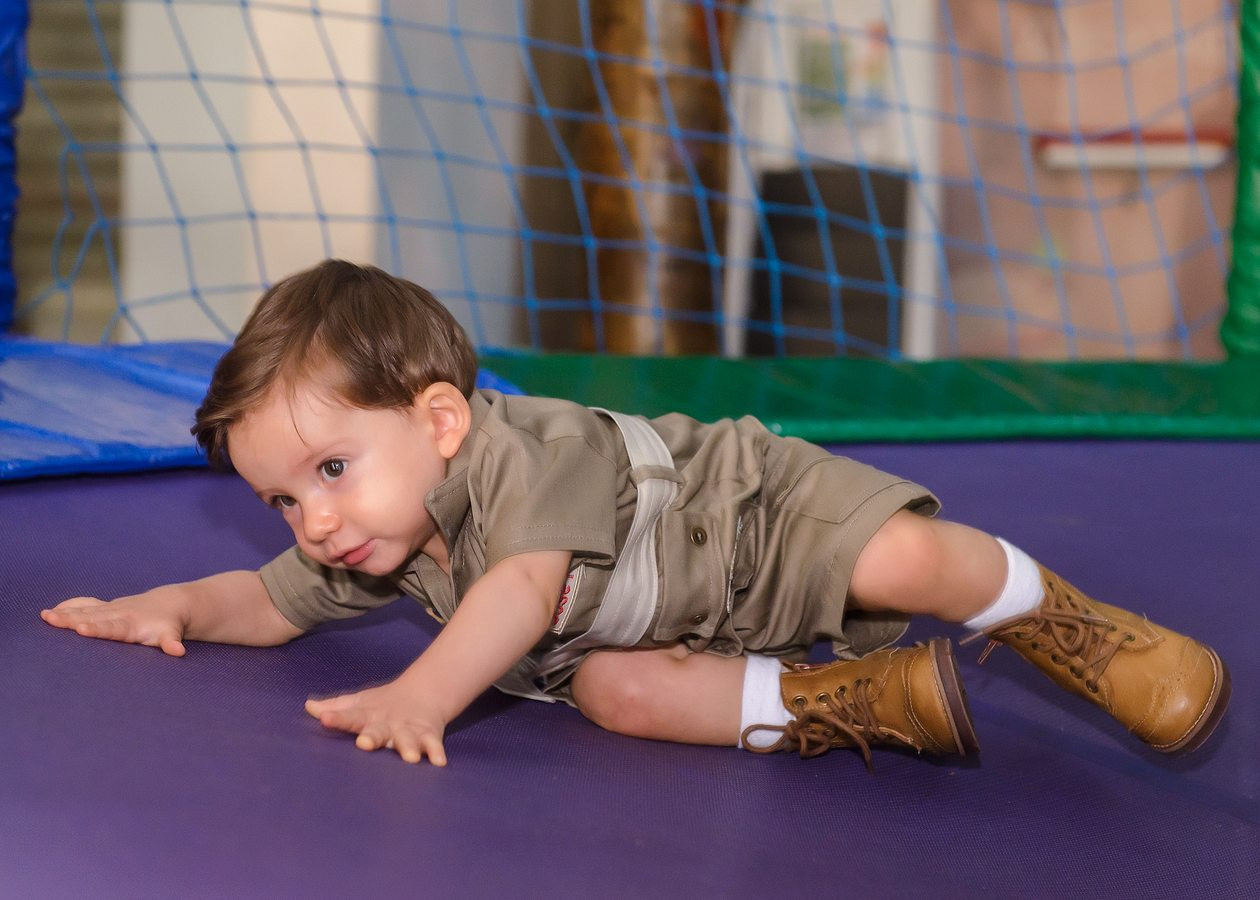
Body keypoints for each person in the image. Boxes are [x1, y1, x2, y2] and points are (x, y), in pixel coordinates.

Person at [40, 260, 1231, 769]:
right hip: (677, 623)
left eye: (332, 469)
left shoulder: (525, 455)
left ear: (442, 420)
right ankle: (852, 703)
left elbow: (521, 590)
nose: (313, 520)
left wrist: (422, 695)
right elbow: (264, 601)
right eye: (283, 498)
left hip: (752, 520)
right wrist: (170, 606)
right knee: (618, 696)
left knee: (907, 558)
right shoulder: (369, 539)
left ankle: (1064, 622)